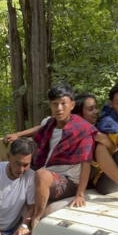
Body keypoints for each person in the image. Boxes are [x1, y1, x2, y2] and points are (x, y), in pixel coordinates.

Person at [30, 85, 97, 226]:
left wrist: (80, 194)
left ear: (72, 105)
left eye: (63, 103)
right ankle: (22, 224)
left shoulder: (83, 128)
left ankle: (36, 218)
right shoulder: (50, 125)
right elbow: (38, 145)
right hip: (49, 172)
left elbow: (86, 162)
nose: (59, 108)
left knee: (41, 175)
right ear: (50, 105)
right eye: (55, 104)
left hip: (69, 181)